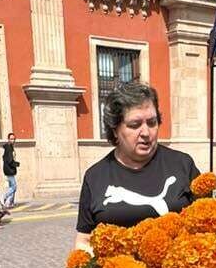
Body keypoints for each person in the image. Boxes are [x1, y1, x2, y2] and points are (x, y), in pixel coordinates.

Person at [75, 82, 198, 251]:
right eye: (135, 125)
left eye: (152, 123)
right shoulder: (95, 176)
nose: (146, 133)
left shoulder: (183, 165)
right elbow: (85, 241)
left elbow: (207, 225)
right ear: (115, 130)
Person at [0, 131, 18, 215]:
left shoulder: (10, 147)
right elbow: (10, 160)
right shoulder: (8, 147)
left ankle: (10, 203)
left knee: (11, 186)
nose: (13, 140)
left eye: (14, 139)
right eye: (11, 139)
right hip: (9, 170)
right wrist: (17, 164)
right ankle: (5, 198)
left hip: (10, 169)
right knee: (14, 186)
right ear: (8, 139)